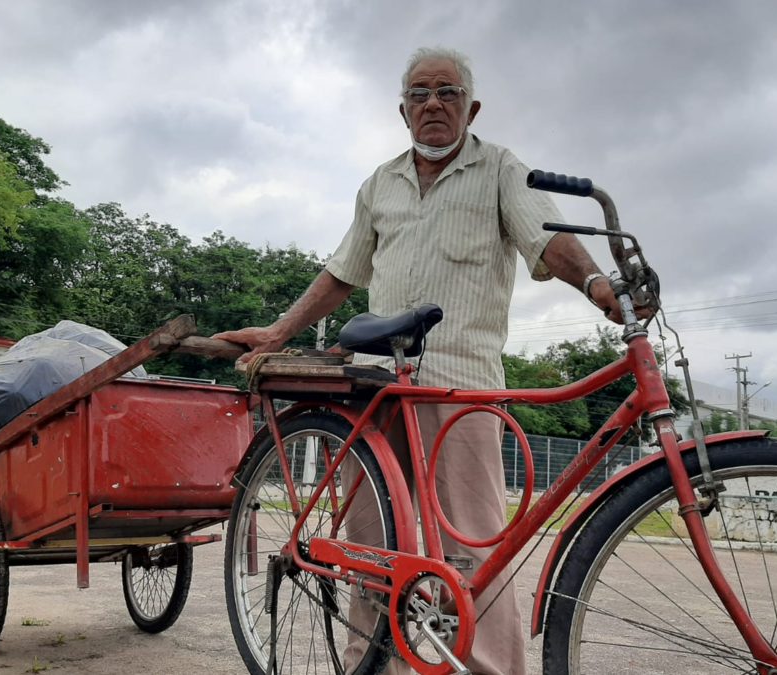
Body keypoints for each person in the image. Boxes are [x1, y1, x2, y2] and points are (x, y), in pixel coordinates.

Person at [214, 46, 628, 675]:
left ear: (472, 106)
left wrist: (601, 288)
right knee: (374, 545)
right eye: (420, 93)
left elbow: (551, 240)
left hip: (458, 390)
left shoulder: (500, 171)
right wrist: (277, 331)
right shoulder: (379, 183)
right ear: (403, 110)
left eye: (448, 91)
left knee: (473, 547)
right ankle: (369, 664)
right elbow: (340, 274)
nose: (433, 102)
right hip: (373, 388)